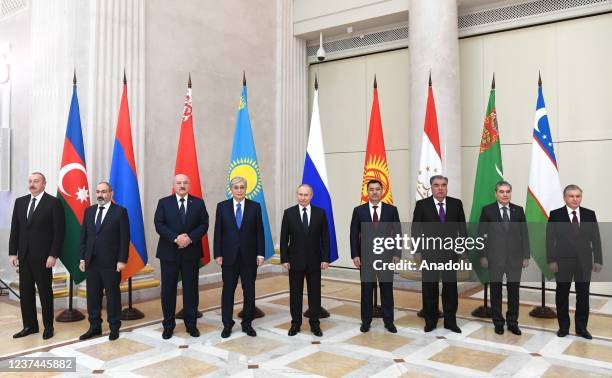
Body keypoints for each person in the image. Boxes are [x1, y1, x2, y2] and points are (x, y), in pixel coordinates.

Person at [9, 172, 65, 340]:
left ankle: (48, 327)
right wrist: (13, 253)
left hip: (44, 258)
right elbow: (15, 230)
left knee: (45, 293)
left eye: (36, 181)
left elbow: (59, 232)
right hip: (24, 257)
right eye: (30, 181)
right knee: (25, 293)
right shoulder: (20, 202)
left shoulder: (53, 203)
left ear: (44, 184)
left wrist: (53, 255)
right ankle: (30, 326)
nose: (32, 184)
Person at [154, 174, 209, 339]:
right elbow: (159, 224)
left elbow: (204, 224)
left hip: (191, 253)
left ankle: (191, 325)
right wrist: (176, 238)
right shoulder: (164, 202)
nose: (182, 185)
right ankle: (168, 325)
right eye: (179, 183)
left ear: (189, 185)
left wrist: (189, 238)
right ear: (174, 185)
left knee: (191, 290)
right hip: (169, 253)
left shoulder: (198, 203)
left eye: (185, 182)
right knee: (168, 290)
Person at [412, 175, 466, 333]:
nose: (440, 188)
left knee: (450, 288)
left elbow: (462, 229)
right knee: (430, 288)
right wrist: (417, 250)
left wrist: (462, 249)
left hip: (451, 254)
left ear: (447, 187)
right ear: (431, 187)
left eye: (443, 185)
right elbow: (416, 229)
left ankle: (450, 321)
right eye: (436, 185)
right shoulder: (422, 205)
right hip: (429, 254)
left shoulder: (456, 204)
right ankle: (431, 321)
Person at [547, 184, 602, 340]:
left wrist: (598, 259)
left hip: (584, 262)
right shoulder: (556, 215)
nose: (575, 199)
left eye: (578, 196)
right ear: (565, 198)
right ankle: (563, 327)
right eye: (571, 196)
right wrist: (551, 260)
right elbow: (549, 240)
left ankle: (581, 328)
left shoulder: (589, 214)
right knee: (562, 294)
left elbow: (596, 239)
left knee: (583, 295)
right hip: (562, 262)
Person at [214, 176, 264, 338]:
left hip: (249, 258)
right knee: (228, 291)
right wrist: (218, 253)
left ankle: (247, 323)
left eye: (242, 187)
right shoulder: (222, 207)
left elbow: (260, 233)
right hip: (228, 257)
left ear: (246, 189)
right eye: (236, 187)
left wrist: (260, 253)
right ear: (231, 189)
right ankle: (227, 324)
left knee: (249, 291)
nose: (239, 190)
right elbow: (218, 232)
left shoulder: (255, 207)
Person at [78, 182, 129, 341]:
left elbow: (124, 238)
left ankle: (114, 326)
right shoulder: (89, 211)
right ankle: (95, 326)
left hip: (111, 262)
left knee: (113, 296)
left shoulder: (120, 212)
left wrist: (122, 260)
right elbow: (84, 237)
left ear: (111, 193)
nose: (100, 195)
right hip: (91, 261)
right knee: (92, 296)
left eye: (104, 192)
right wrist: (82, 258)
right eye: (98, 191)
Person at [478, 180, 530, 335]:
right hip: (494, 259)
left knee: (514, 291)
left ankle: (513, 322)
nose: (505, 194)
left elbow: (524, 235)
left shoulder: (518, 210)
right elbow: (481, 235)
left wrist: (526, 255)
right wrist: (483, 256)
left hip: (515, 259)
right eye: (501, 191)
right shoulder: (487, 211)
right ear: (496, 193)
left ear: (510, 193)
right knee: (496, 291)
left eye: (507, 191)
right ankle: (498, 322)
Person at [350, 179, 400, 333]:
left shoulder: (391, 210)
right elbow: (353, 234)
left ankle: (389, 322)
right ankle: (366, 321)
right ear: (367, 192)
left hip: (386, 257)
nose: (374, 192)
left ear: (382, 191)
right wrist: (355, 255)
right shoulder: (359, 211)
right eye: (371, 189)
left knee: (386, 290)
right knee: (366, 290)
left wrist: (397, 253)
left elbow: (398, 233)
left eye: (377, 189)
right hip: (366, 258)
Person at [280, 184, 330, 337]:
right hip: (294, 261)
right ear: (297, 195)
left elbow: (325, 239)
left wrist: (325, 258)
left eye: (306, 195)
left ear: (311, 196)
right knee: (295, 294)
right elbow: (283, 239)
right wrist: (284, 258)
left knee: (315, 293)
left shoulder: (320, 214)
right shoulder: (289, 213)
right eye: (300, 194)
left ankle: (315, 324)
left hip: (315, 261)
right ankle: (295, 324)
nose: (302, 197)